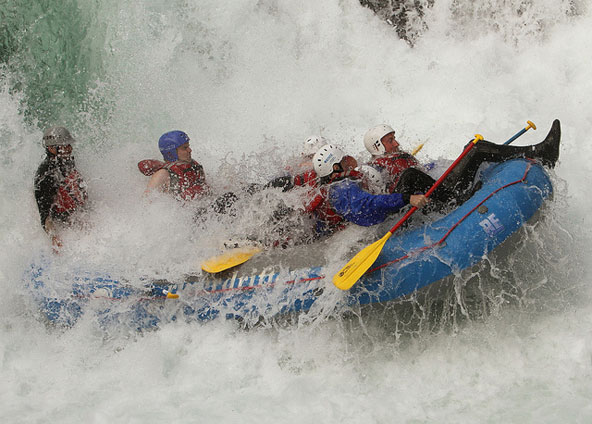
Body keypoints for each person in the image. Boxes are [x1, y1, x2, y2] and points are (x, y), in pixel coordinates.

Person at [365, 119, 562, 209]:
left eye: (394, 138)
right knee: (410, 174)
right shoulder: (378, 168)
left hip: (441, 189)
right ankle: (540, 153)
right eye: (390, 141)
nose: (396, 143)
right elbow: (386, 195)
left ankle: (538, 153)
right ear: (377, 147)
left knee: (473, 147)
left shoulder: (398, 157)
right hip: (439, 201)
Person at [308, 144, 429, 236]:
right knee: (410, 175)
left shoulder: (336, 185)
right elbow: (367, 205)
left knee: (407, 177)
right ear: (336, 167)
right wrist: (406, 198)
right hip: (379, 226)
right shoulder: (341, 189)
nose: (347, 161)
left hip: (373, 223)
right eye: (343, 160)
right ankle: (439, 203)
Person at [34, 126, 88, 252]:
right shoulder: (46, 176)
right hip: (61, 219)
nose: (69, 148)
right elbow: (44, 214)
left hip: (75, 213)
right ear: (51, 148)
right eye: (65, 146)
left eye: (69, 145)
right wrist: (54, 237)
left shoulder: (65, 161)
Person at [144, 130, 210, 201]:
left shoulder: (194, 165)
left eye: (188, 146)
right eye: (185, 148)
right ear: (171, 152)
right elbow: (146, 202)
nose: (190, 150)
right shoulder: (162, 174)